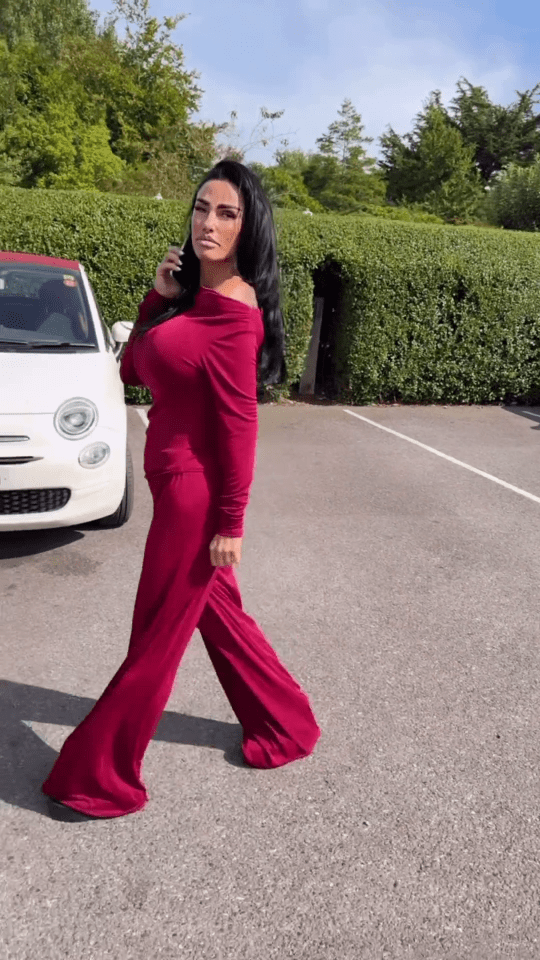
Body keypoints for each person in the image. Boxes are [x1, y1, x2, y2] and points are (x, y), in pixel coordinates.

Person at [42, 159, 321, 821]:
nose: (208, 223)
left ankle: (99, 776)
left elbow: (239, 427)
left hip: (196, 500)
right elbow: (136, 367)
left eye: (227, 213)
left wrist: (231, 523)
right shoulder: (195, 298)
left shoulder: (235, 314)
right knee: (221, 621)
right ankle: (287, 724)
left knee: (155, 636)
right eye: (202, 208)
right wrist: (156, 300)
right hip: (174, 487)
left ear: (249, 228)